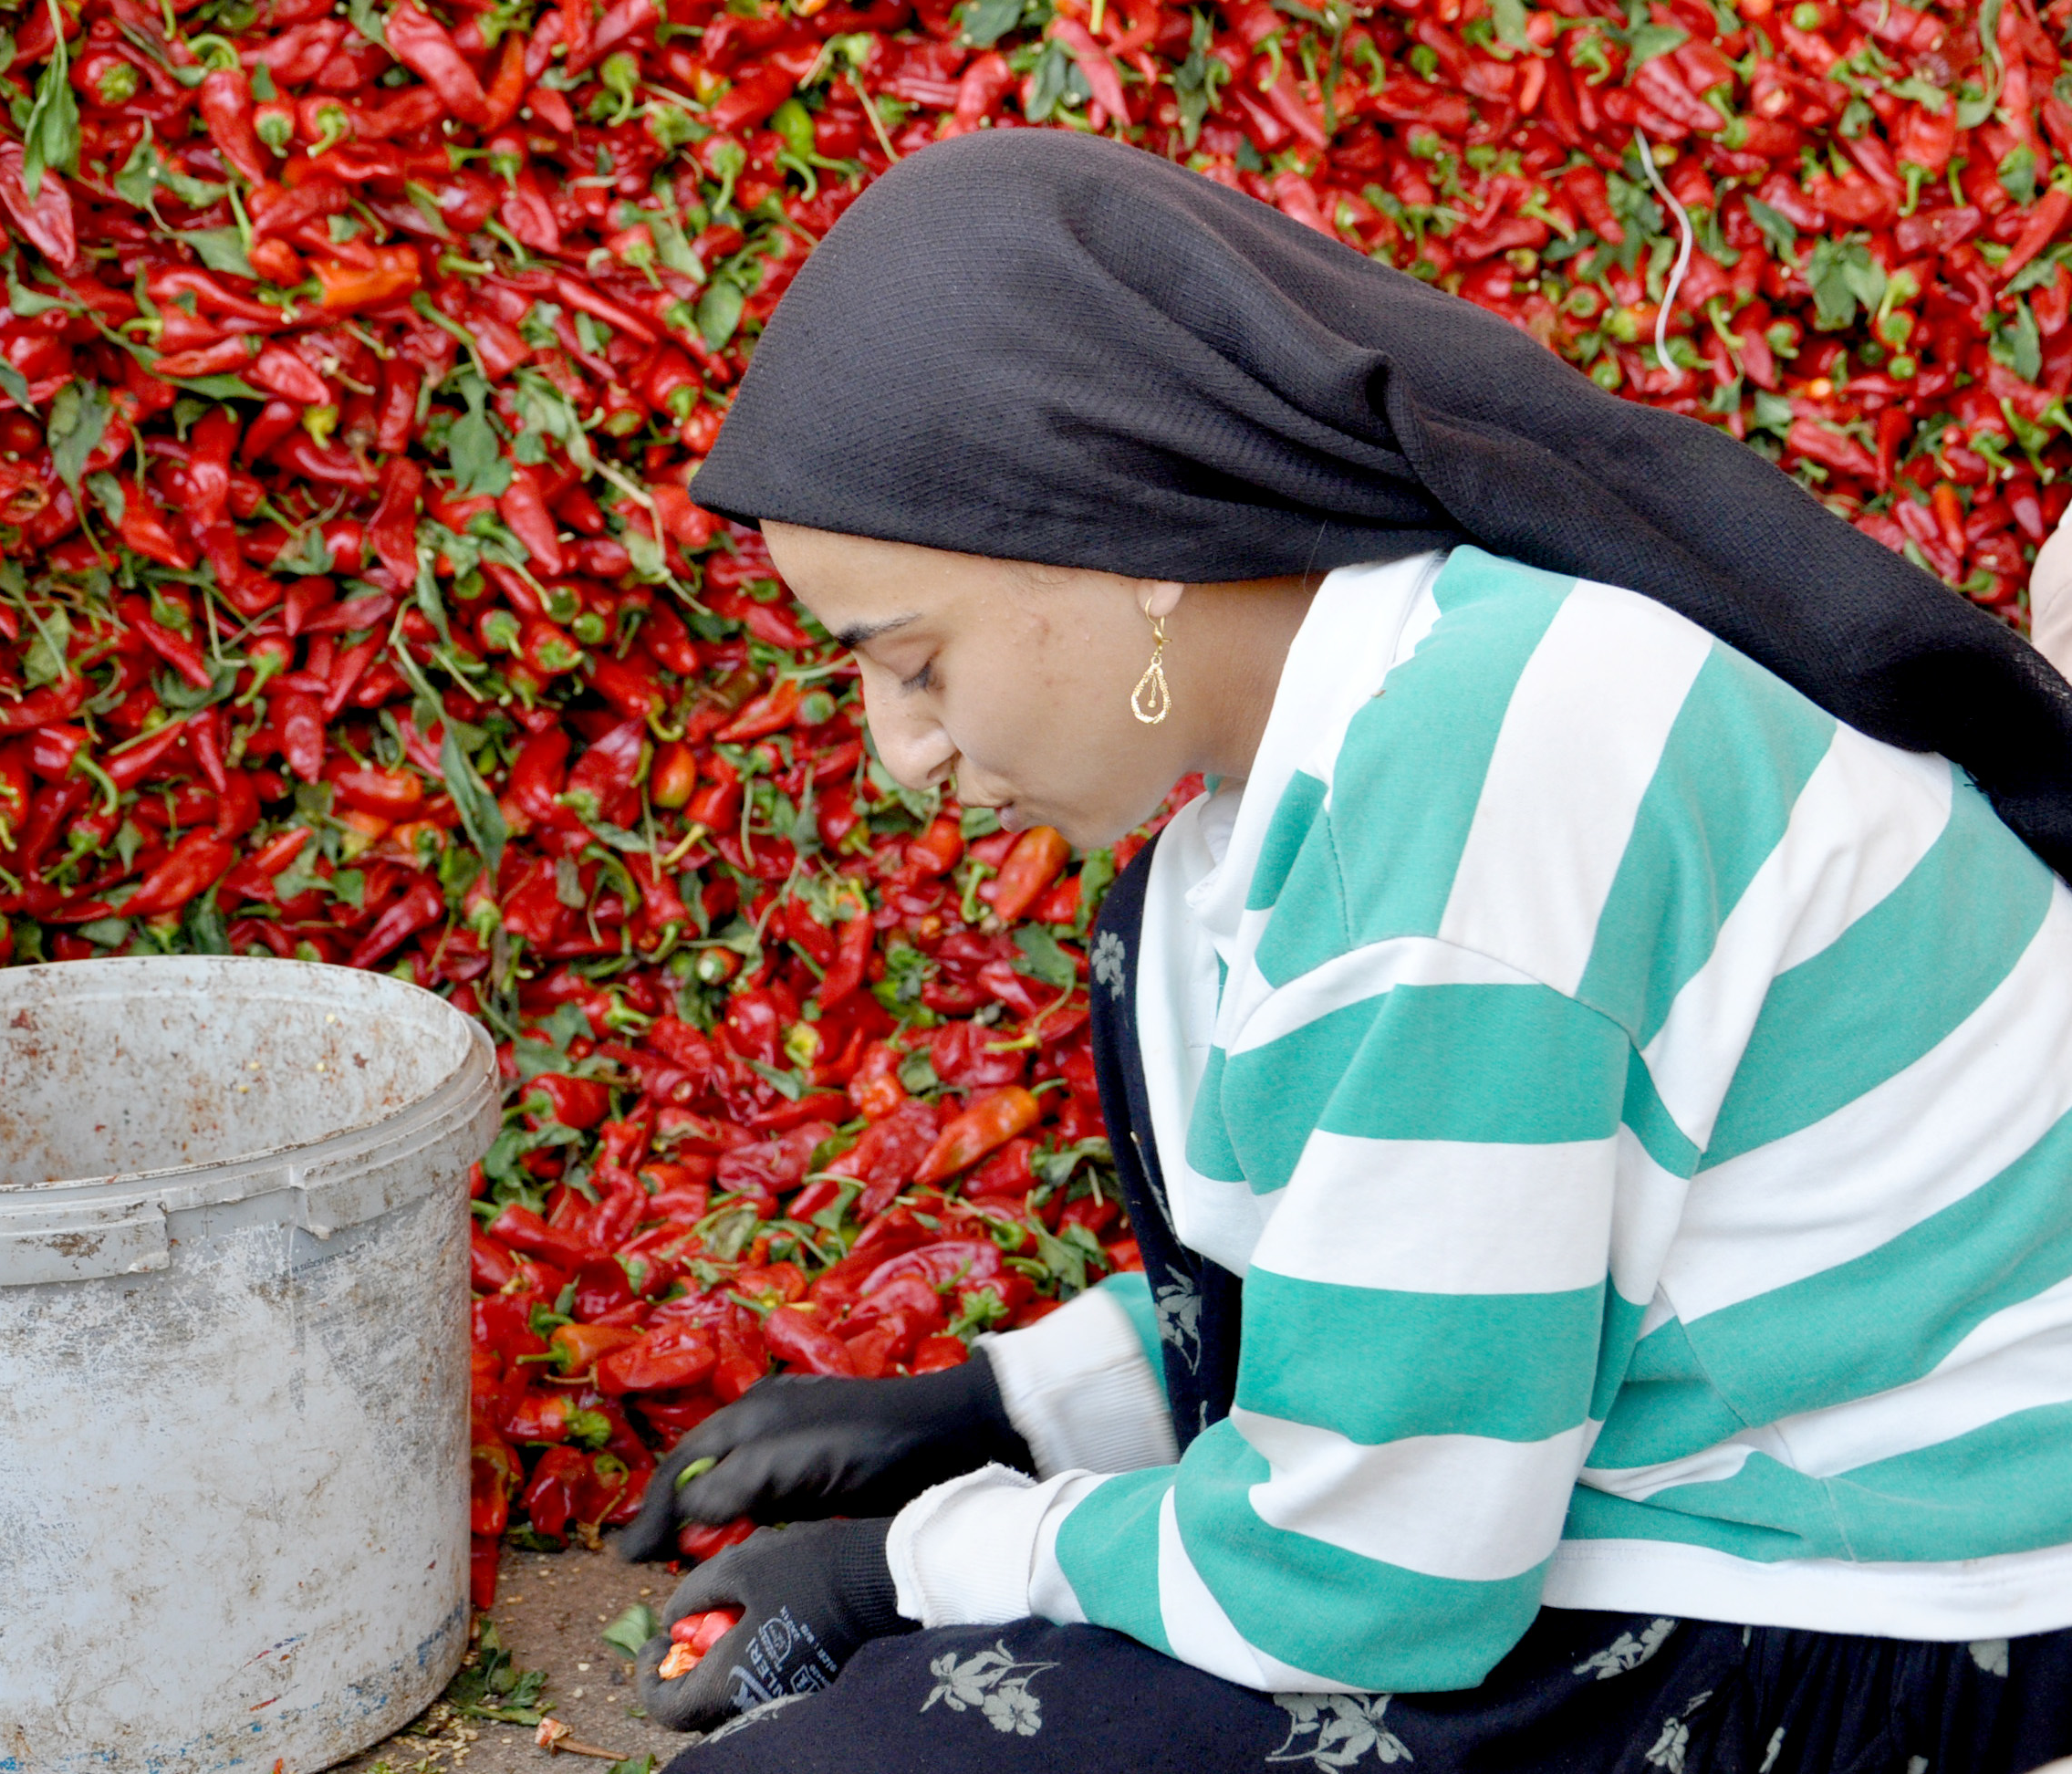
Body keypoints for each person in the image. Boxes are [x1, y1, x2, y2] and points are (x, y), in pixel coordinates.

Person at [616, 128, 2072, 1773]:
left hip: (1897, 1608)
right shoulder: (1375, 709)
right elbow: (1441, 1267)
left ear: (1120, 547)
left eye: (915, 660)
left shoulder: (1474, 786)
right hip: (1712, 1485)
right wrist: (1007, 1407)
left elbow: (1376, 1582)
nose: (904, 751)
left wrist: (925, 1563)